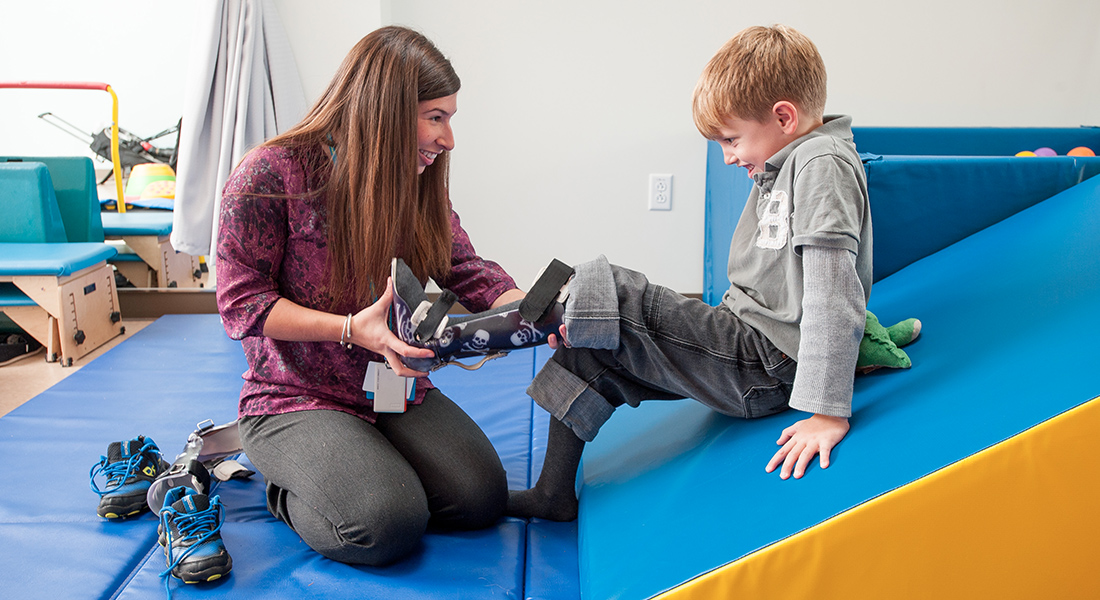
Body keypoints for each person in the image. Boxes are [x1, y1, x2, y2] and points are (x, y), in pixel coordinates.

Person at [506, 24, 873, 522]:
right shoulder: (787, 160)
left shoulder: (821, 163)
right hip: (746, 342)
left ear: (783, 117)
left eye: (731, 139)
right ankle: (552, 493)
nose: (727, 156)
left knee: (618, 296)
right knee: (593, 348)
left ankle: (518, 325)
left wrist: (828, 412)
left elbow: (835, 293)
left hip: (768, 362)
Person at [216, 26, 527, 566]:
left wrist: (527, 308)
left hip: (384, 386)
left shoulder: (410, 180)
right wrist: (348, 328)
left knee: (480, 500)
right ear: (385, 111)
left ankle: (361, 467)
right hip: (294, 395)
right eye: (436, 117)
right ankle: (284, 480)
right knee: (385, 524)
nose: (448, 139)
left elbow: (463, 267)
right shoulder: (270, 173)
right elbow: (241, 303)